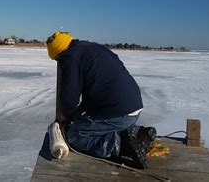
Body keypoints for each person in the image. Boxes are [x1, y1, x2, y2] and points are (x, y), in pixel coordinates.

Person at [46, 31, 156, 169]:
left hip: (118, 113)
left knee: (75, 135)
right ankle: (138, 133)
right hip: (133, 109)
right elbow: (97, 88)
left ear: (59, 54)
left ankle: (122, 145)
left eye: (57, 60)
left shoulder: (70, 57)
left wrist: (64, 114)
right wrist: (78, 111)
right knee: (84, 123)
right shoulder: (91, 49)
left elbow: (70, 94)